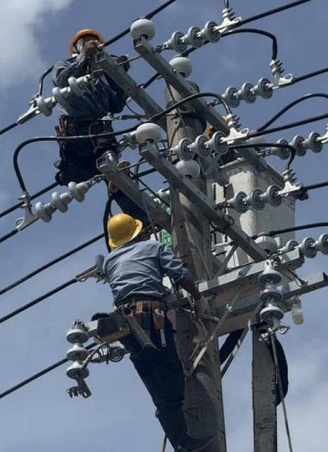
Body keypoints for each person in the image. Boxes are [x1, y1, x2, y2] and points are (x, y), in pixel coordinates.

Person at [100, 213, 212, 452]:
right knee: (171, 377)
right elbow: (180, 275)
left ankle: (181, 442)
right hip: (151, 318)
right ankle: (186, 443)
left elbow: (130, 283)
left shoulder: (109, 262)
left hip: (127, 325)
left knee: (156, 384)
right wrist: (198, 297)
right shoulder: (154, 247)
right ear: (137, 231)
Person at [52, 29, 148, 225]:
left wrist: (119, 76)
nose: (93, 45)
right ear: (78, 47)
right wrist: (83, 59)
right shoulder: (66, 65)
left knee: (114, 172)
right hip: (77, 128)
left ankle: (141, 220)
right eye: (87, 42)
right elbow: (62, 81)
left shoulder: (103, 73)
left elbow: (116, 105)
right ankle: (77, 172)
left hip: (100, 126)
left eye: (95, 43)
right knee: (81, 170)